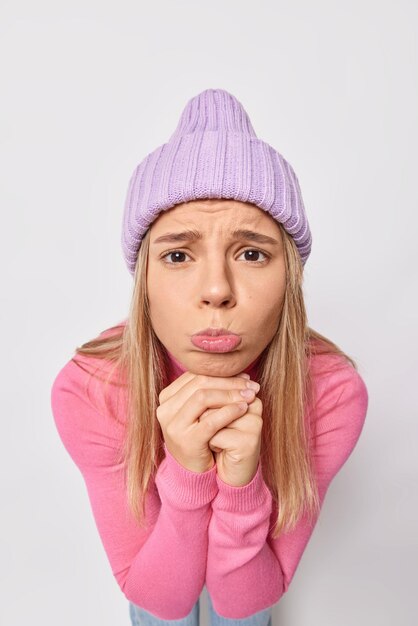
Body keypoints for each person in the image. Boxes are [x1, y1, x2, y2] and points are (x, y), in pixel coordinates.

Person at [50, 88, 369, 625]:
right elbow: (159, 600)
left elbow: (246, 602)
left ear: (289, 276)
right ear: (144, 282)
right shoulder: (94, 388)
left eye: (251, 253)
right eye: (177, 254)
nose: (217, 289)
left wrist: (242, 490)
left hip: (243, 580)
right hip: (161, 574)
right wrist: (188, 473)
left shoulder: (330, 391)